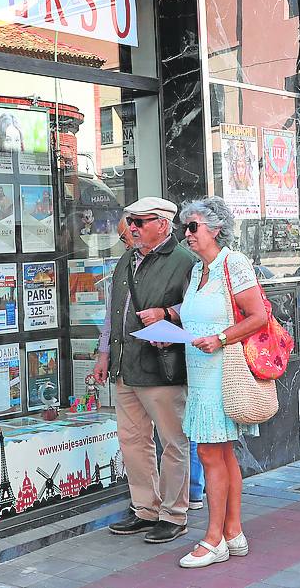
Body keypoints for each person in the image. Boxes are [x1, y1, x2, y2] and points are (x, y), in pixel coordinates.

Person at [90, 197, 196, 544]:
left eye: (140, 222)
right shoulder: (126, 260)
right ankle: (145, 509)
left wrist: (168, 313)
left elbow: (202, 309)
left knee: (172, 442)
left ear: (163, 224)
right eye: (130, 222)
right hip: (125, 365)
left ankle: (174, 514)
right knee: (133, 442)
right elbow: (112, 313)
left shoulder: (185, 261)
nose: (132, 228)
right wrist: (103, 353)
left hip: (161, 368)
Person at [176, 197, 268, 568]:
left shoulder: (234, 263)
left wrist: (222, 339)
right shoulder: (200, 269)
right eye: (185, 228)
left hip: (221, 372)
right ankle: (232, 532)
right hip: (199, 372)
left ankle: (213, 539)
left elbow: (259, 315)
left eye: (193, 227)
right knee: (222, 454)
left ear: (215, 229)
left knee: (210, 454)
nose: (187, 234)